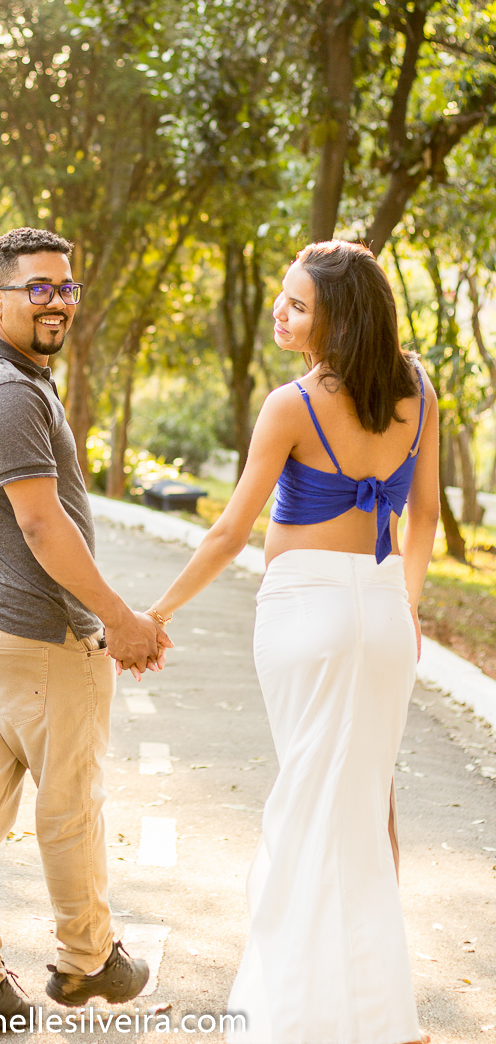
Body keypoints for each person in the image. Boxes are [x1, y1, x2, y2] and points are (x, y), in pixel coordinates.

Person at [143, 240, 439, 1044]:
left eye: (298, 305)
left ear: (339, 320)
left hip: (306, 615)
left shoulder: (293, 404)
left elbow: (229, 532)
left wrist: (157, 613)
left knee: (310, 803)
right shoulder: (418, 390)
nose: (280, 311)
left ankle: (293, 1014)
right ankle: (380, 1013)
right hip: (384, 612)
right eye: (282, 295)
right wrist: (404, 605)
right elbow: (424, 519)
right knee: (366, 804)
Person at [0, 226, 172, 1037]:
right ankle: (86, 961)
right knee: (70, 807)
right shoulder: (8, 392)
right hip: (32, 635)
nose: (57, 301)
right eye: (38, 288)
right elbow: (40, 524)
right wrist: (119, 620)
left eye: (66, 287)